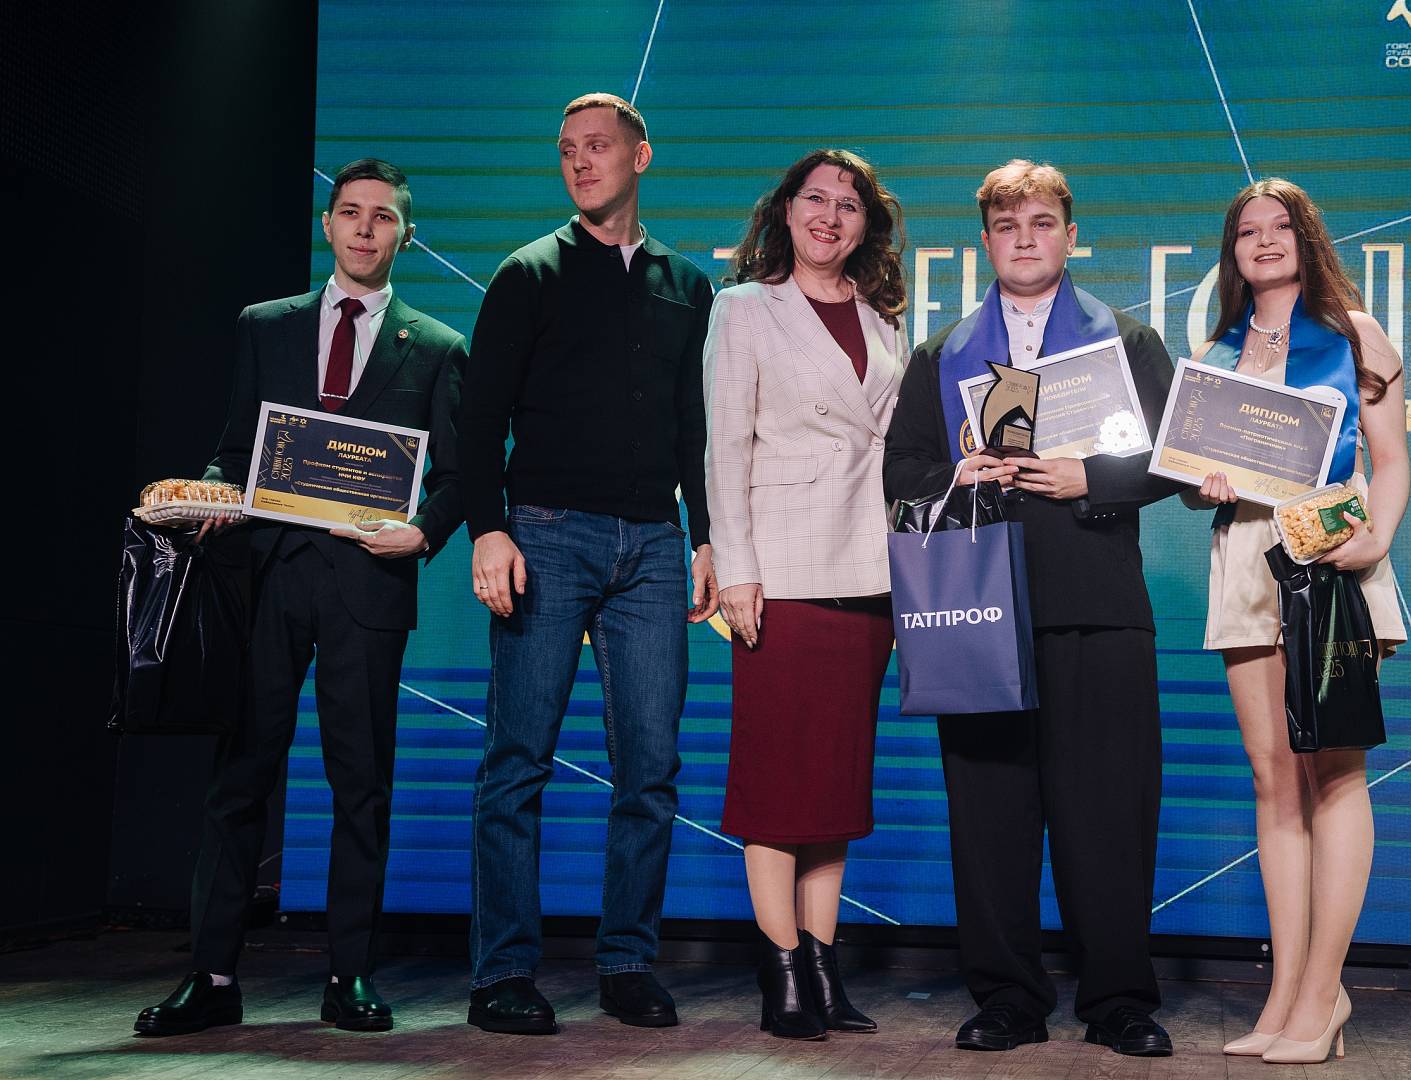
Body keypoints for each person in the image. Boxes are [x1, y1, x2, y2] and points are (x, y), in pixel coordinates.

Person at [134, 159, 467, 1036]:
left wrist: (424, 533)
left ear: (406, 235)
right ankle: (211, 976)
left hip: (369, 583)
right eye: (350, 212)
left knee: (361, 784)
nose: (365, 229)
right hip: (267, 576)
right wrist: (211, 491)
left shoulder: (438, 346)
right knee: (240, 776)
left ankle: (350, 975)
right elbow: (234, 447)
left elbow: (462, 475)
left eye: (383, 217)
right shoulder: (264, 325)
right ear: (328, 224)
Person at [883, 161, 1181, 1056]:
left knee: (1110, 812)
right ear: (985, 242)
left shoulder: (1126, 341)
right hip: (979, 612)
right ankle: (1008, 996)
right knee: (989, 818)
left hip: (1098, 603)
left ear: (1070, 236)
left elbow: (1175, 455)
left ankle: (1119, 998)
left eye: (1042, 223)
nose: (1025, 239)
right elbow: (901, 470)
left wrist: (1092, 477)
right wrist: (958, 473)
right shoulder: (940, 354)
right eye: (1008, 226)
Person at [457, 92, 719, 1036]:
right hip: (545, 534)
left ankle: (627, 962)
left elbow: (695, 430)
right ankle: (502, 972)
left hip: (653, 544)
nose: (580, 161)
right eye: (567, 149)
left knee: (651, 767)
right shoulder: (527, 272)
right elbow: (479, 418)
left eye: (598, 146)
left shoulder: (689, 286)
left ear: (640, 156)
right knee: (517, 760)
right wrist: (488, 530)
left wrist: (706, 538)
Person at [1184, 177, 1407, 1065]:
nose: (1265, 240)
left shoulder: (1355, 334)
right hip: (1246, 560)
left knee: (1336, 772)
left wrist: (1376, 537)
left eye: (1281, 226)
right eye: (1248, 230)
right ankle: (1285, 995)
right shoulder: (1216, 351)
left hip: (1330, 554)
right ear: (1232, 251)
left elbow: (1390, 460)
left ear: (1307, 238)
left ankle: (1323, 993)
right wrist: (1204, 481)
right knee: (1274, 777)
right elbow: (1194, 470)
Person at [704, 149, 908, 1040]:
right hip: (781, 571)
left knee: (834, 781)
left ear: (867, 227)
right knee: (777, 779)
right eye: (815, 199)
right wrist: (737, 569)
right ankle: (780, 970)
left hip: (871, 569)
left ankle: (823, 968)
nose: (830, 216)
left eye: (848, 205)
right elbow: (724, 446)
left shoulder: (884, 321)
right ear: (785, 212)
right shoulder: (745, 308)